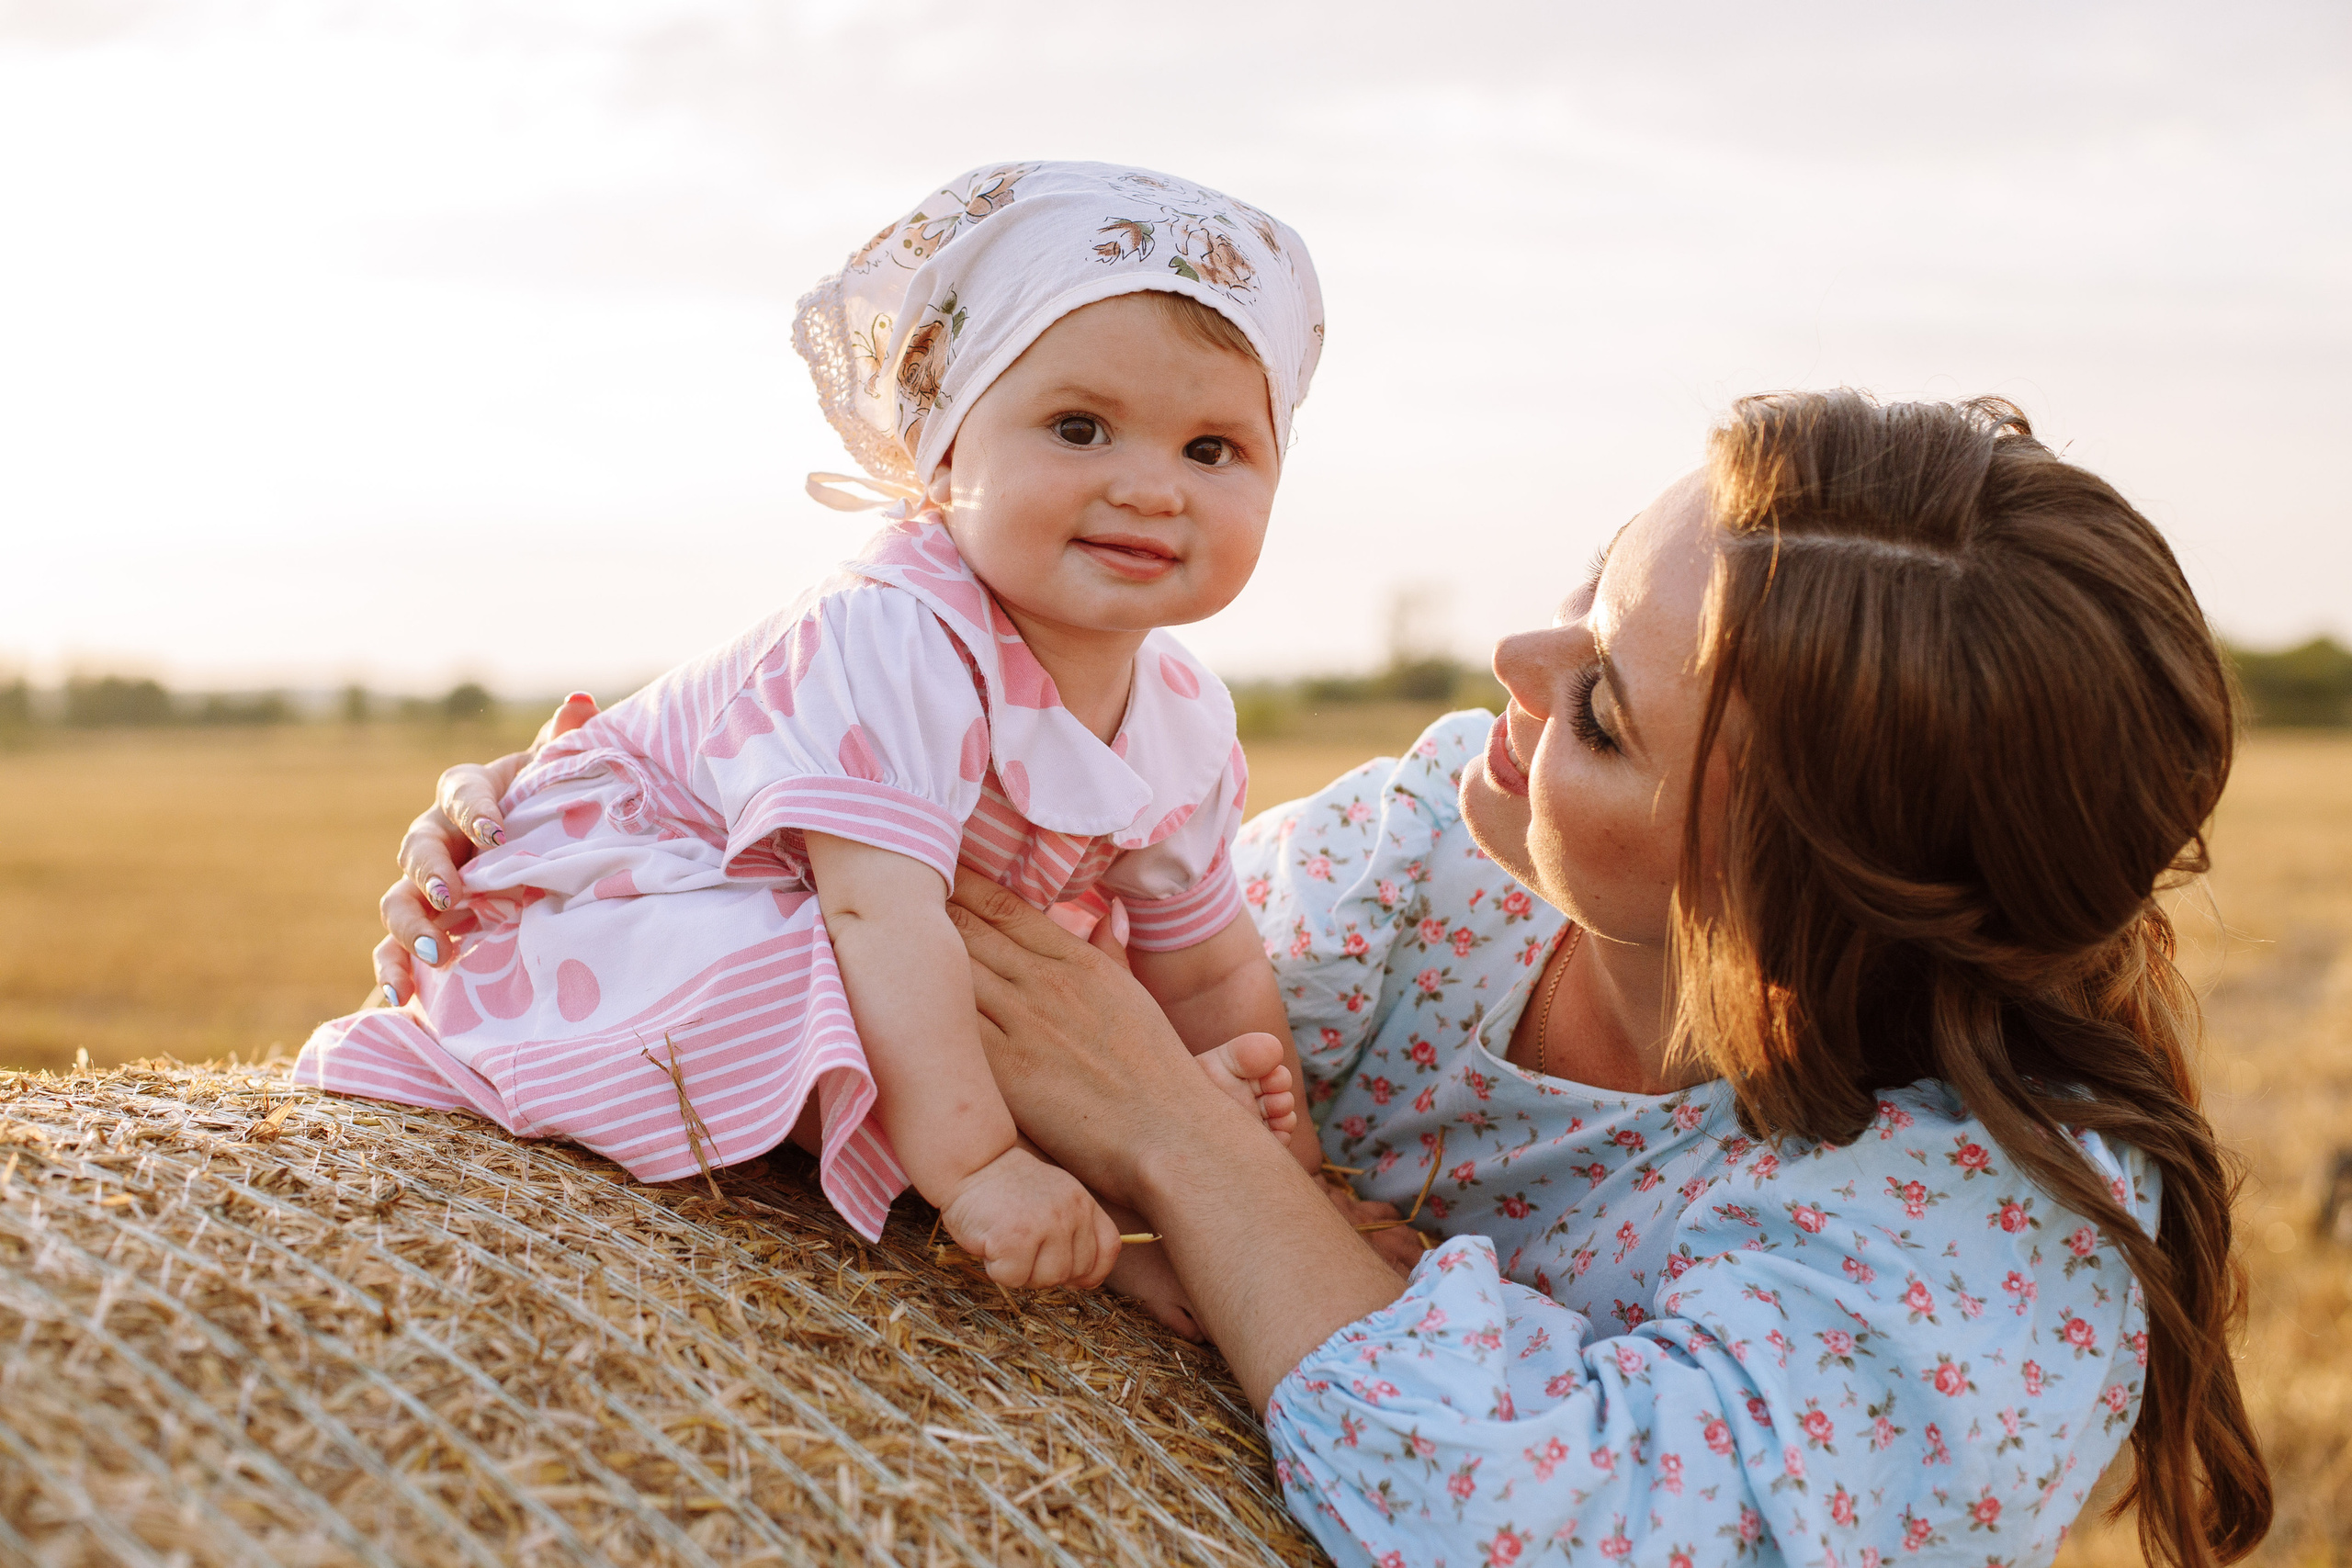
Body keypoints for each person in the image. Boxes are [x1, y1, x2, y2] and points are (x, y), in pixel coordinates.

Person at [379, 393, 2270, 1568]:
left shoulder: (1996, 1249)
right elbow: (958, 953)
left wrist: (1174, 1133)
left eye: (1602, 706)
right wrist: (583, 854)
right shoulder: (1425, 858)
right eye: (1582, 591)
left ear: (1790, 894)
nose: (1515, 660)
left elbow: (1560, 1529)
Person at [302, 161, 1331, 1325]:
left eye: (1212, 450)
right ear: (943, 458)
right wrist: (980, 1169)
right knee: (874, 981)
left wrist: (1285, 1189)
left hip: (907, 957)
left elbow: (1211, 967)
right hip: (678, 898)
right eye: (1079, 428)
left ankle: (1146, 1214)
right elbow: (873, 919)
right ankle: (999, 1189)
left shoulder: (1187, 716)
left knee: (1076, 1000)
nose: (1151, 488)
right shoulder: (897, 630)